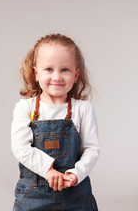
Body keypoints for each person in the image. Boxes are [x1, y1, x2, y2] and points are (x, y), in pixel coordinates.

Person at [11, 33, 100, 211]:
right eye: (49, 69)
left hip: (75, 192)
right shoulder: (25, 108)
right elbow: (20, 147)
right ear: (36, 73)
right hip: (34, 194)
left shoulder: (83, 109)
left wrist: (76, 174)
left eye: (65, 70)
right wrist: (48, 170)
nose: (57, 77)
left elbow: (91, 148)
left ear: (76, 75)